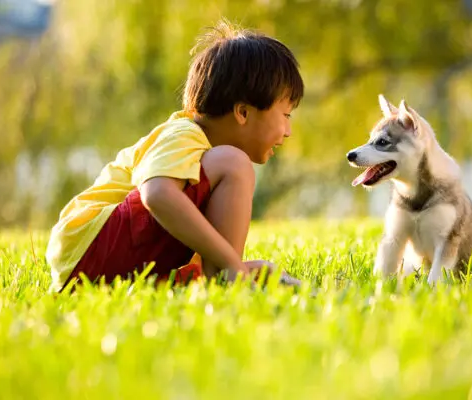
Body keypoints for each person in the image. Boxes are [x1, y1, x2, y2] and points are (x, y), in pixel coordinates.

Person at [45, 20, 304, 293]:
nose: (288, 131)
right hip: (90, 248)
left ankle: (223, 279)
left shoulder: (203, 166)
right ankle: (229, 278)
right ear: (242, 112)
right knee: (235, 163)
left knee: (227, 175)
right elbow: (156, 194)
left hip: (94, 270)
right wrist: (231, 263)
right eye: (285, 115)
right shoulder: (185, 134)